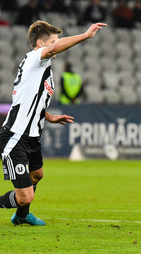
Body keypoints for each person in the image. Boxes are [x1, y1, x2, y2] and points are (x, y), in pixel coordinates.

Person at [0, 20, 107, 226]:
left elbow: (30, 99)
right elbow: (56, 47)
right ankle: (22, 210)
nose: (56, 45)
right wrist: (85, 35)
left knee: (37, 175)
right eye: (52, 42)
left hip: (32, 137)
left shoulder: (43, 69)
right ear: (40, 44)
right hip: (16, 136)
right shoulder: (34, 59)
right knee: (25, 197)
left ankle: (22, 216)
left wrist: (49, 116)